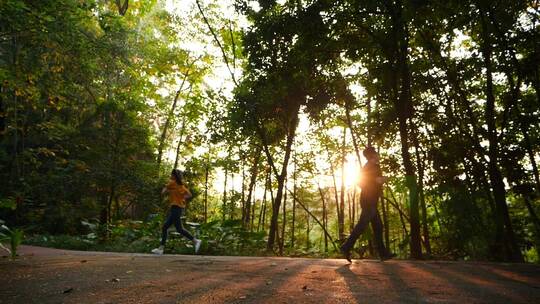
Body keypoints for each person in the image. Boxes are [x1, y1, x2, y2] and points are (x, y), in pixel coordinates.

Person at [340, 147, 394, 262]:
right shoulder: (372, 166)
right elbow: (376, 180)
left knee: (378, 227)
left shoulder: (367, 167)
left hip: (370, 200)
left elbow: (360, 182)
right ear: (372, 155)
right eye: (376, 153)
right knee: (362, 226)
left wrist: (373, 187)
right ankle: (346, 247)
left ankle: (383, 253)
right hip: (369, 201)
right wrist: (385, 179)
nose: (378, 155)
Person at [152, 169, 201, 255]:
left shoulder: (172, 183)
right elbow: (189, 195)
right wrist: (181, 198)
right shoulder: (181, 186)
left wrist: (167, 189)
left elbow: (163, 192)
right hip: (178, 208)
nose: (170, 176)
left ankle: (195, 241)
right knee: (168, 227)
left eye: (171, 174)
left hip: (176, 208)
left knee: (175, 228)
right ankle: (161, 248)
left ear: (174, 176)